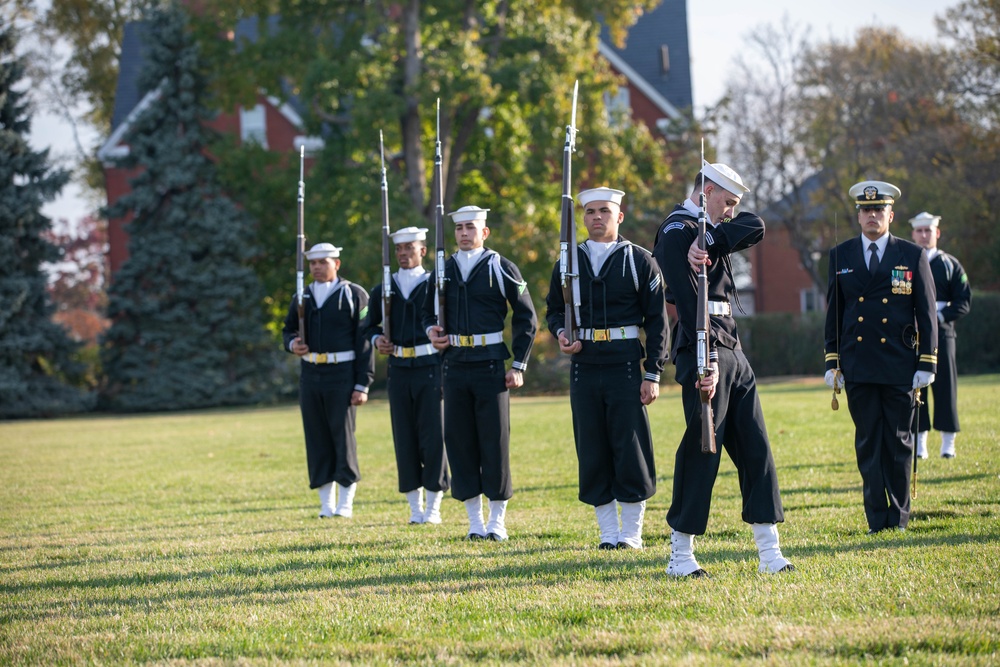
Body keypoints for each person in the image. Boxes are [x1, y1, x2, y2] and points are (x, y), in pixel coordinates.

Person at [653, 162, 793, 577]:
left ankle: (769, 553)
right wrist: (705, 361)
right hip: (703, 347)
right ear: (706, 191)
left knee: (757, 450)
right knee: (703, 450)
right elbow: (685, 299)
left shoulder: (709, 232)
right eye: (726, 202)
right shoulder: (677, 231)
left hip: (733, 346)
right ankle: (680, 555)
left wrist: (712, 242)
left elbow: (757, 226)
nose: (731, 211)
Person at [545, 187, 668, 550]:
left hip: (626, 364)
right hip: (585, 365)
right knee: (592, 448)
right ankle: (608, 534)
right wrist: (561, 331)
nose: (596, 218)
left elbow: (658, 321)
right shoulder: (567, 262)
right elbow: (554, 309)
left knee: (629, 448)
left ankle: (631, 533)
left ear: (619, 216)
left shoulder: (640, 260)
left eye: (604, 211)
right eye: (590, 212)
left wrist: (653, 372)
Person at [824, 181, 937, 534]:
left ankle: (899, 518)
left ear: (891, 215)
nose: (872, 216)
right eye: (865, 210)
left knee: (899, 442)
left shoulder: (911, 255)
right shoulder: (841, 255)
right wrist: (832, 361)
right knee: (868, 443)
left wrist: (927, 362)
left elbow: (927, 311)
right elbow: (835, 312)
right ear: (858, 215)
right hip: (858, 364)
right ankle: (877, 518)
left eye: (878, 210)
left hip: (899, 364)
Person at [422, 206, 537, 542]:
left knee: (494, 442)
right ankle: (475, 521)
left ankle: (497, 520)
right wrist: (431, 330)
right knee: (459, 442)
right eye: (458, 228)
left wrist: (519, 364)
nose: (463, 233)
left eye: (470, 227)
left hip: (490, 365)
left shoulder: (500, 267)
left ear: (484, 232)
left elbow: (526, 316)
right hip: (455, 364)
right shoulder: (442, 270)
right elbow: (426, 313)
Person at [362, 226, 450, 524]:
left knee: (433, 436)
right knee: (405, 437)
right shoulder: (383, 289)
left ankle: (434, 505)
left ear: (422, 251)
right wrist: (377, 340)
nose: (403, 254)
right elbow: (368, 325)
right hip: (399, 369)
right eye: (399, 249)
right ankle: (414, 507)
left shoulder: (435, 284)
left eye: (408, 248)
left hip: (430, 367)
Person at [283, 242, 374, 519]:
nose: (317, 268)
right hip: (311, 375)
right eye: (313, 263)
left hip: (342, 374)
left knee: (342, 436)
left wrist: (362, 383)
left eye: (323, 262)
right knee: (317, 437)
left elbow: (365, 340)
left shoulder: (353, 294)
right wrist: (292, 344)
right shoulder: (303, 296)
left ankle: (345, 502)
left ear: (337, 263)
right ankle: (326, 503)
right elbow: (287, 330)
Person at [909, 212, 971, 459]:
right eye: (919, 231)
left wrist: (938, 318)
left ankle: (948, 443)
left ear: (937, 233)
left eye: (928, 231)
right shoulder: (907, 263)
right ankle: (920, 443)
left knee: (946, 387)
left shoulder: (950, 264)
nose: (924, 235)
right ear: (913, 233)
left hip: (943, 336)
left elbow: (963, 301)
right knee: (916, 387)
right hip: (913, 336)